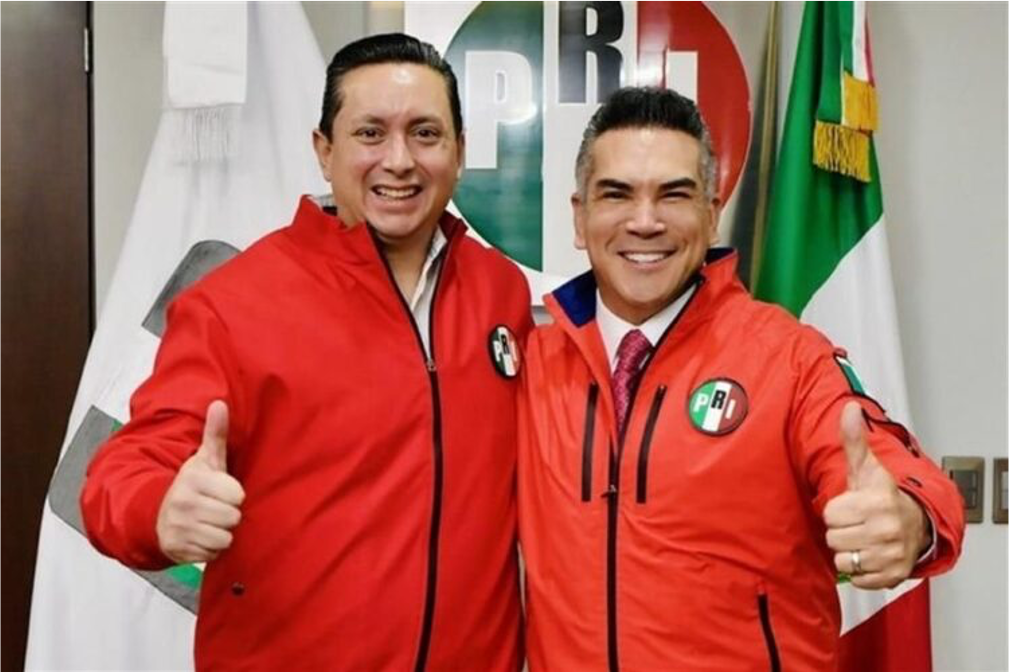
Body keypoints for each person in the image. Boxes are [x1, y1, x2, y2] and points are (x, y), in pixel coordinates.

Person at [81, 34, 530, 671]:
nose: (399, 160)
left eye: (425, 134)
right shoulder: (234, 304)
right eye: (370, 133)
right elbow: (125, 470)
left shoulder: (500, 291)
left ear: (460, 152)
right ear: (324, 151)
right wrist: (158, 509)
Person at [516, 87, 964, 671]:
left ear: (711, 213)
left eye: (674, 195)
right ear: (580, 217)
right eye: (617, 194)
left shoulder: (788, 357)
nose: (645, 221)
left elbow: (886, 463)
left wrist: (909, 517)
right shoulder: (533, 363)